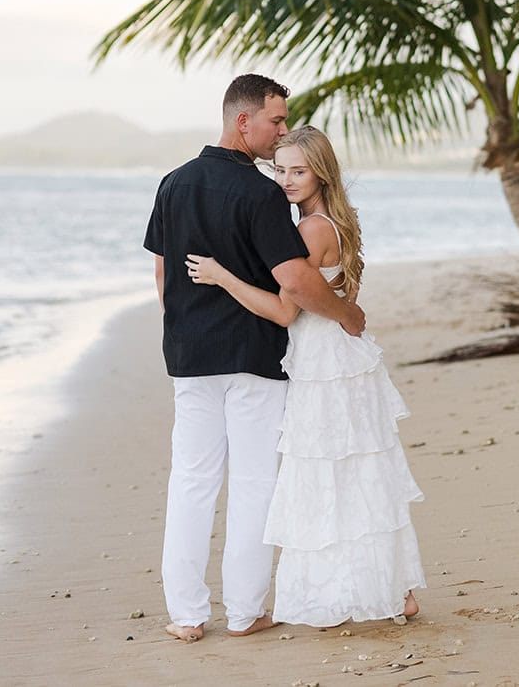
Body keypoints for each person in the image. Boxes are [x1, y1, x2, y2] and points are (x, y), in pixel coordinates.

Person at [145, 76, 367, 644]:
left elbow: (164, 274)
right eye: (275, 121)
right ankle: (244, 613)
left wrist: (183, 328)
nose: (281, 132)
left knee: (191, 480)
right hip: (253, 357)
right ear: (243, 121)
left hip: (189, 357)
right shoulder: (262, 195)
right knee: (251, 483)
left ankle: (187, 615)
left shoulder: (173, 184)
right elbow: (294, 280)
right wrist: (345, 312)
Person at [187, 125, 425, 627]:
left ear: (321, 172)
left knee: (327, 475)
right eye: (280, 169)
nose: (287, 180)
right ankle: (392, 587)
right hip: (338, 360)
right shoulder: (328, 222)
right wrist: (345, 313)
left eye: (298, 170)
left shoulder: (310, 231)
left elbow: (282, 312)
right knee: (356, 473)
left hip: (324, 368)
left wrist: (220, 276)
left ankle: (367, 590)